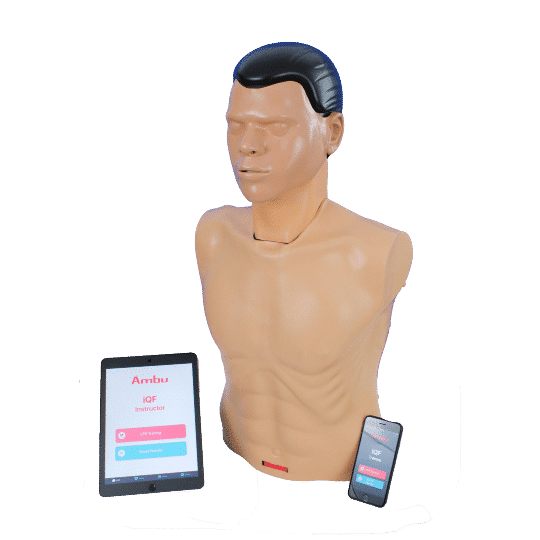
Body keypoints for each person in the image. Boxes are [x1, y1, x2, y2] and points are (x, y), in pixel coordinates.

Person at [195, 42, 413, 481]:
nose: (247, 146)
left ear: (332, 133)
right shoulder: (213, 236)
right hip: (233, 456)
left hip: (333, 473)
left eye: (275, 126)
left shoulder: (376, 252)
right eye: (235, 126)